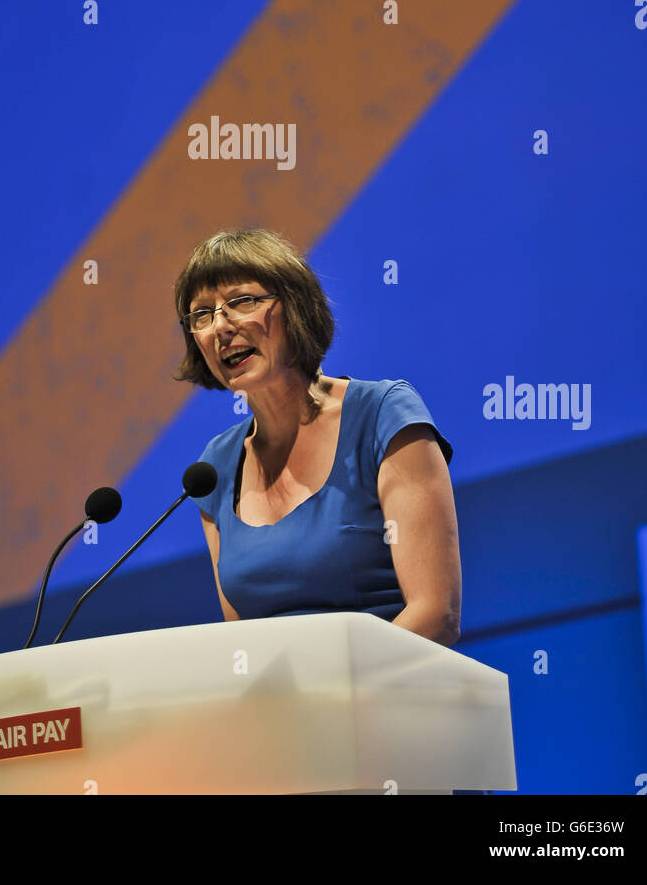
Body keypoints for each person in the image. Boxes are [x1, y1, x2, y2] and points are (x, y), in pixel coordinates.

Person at [174, 227, 461, 645]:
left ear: (294, 308)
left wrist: (334, 696)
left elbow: (436, 614)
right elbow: (241, 648)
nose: (220, 326)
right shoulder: (214, 469)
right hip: (290, 710)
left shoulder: (382, 414)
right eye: (202, 314)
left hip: (393, 696)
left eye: (242, 301)